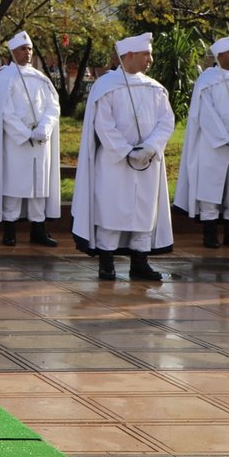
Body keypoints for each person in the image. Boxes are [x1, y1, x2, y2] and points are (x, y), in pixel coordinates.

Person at [72, 32, 175, 282]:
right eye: (146, 54)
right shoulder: (106, 87)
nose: (150, 59)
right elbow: (103, 125)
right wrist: (127, 151)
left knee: (143, 210)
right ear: (129, 56)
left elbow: (166, 121)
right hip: (114, 162)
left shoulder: (155, 88)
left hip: (147, 163)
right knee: (111, 209)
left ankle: (140, 262)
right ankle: (106, 262)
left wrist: (149, 148)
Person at [173, 34, 229, 250]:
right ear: (221, 55)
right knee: (210, 188)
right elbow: (206, 113)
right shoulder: (207, 81)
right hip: (213, 145)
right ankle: (210, 233)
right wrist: (224, 138)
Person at [0, 31, 62, 247]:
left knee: (38, 187)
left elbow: (53, 106)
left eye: (30, 49)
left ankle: (38, 228)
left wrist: (44, 129)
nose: (27, 53)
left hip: (40, 142)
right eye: (23, 49)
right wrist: (24, 134)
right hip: (17, 143)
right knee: (14, 186)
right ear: (13, 52)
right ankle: (9, 229)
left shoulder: (41, 78)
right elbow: (4, 111)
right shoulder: (5, 77)